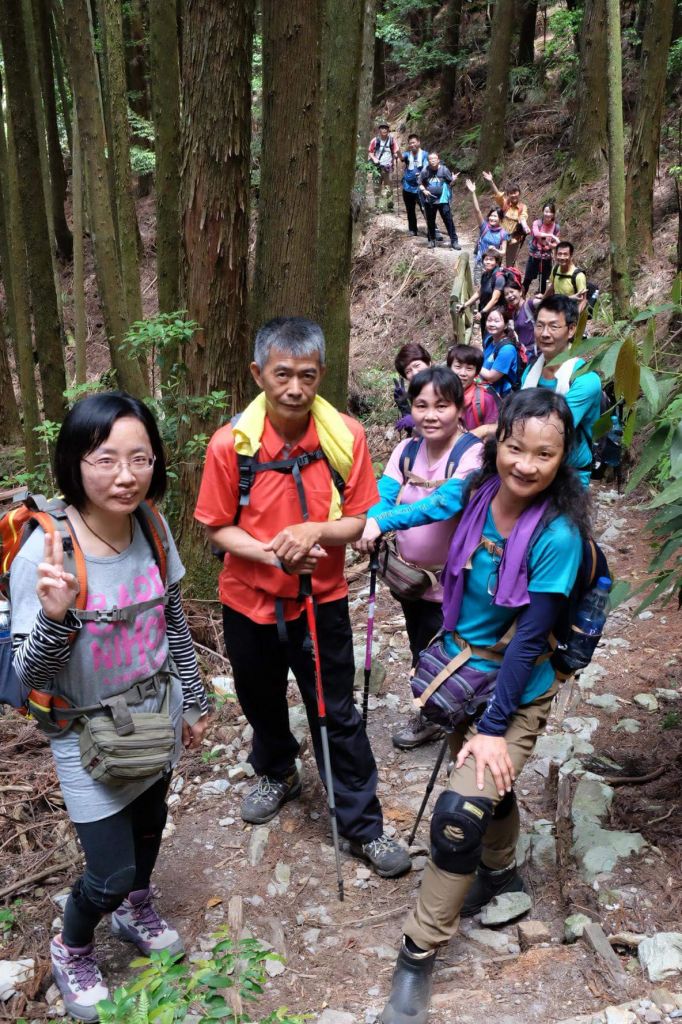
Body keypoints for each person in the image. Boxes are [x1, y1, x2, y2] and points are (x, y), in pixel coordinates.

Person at [378, 389, 589, 1024]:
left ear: (563, 457)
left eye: (544, 454)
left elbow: (530, 638)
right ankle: (501, 877)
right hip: (462, 672)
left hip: (514, 692)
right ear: (498, 443)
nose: (525, 464)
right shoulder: (476, 494)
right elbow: (432, 503)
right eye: (515, 448)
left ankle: (416, 954)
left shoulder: (558, 534)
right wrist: (369, 523)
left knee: (459, 812)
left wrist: (494, 729)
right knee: (489, 789)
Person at [9, 392, 209, 1022]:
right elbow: (27, 674)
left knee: (149, 833)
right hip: (84, 731)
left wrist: (195, 699)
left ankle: (134, 909)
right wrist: (56, 616)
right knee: (109, 870)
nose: (126, 475)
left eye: (140, 458)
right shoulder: (45, 555)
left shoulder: (151, 524)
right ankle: (71, 946)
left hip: (155, 714)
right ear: (74, 462)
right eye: (106, 459)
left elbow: (173, 618)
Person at [194, 317, 411, 879]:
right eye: (282, 374)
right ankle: (278, 770)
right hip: (249, 601)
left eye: (307, 375)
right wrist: (272, 552)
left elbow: (362, 518)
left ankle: (363, 826)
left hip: (322, 600)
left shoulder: (344, 436)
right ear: (258, 373)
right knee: (260, 699)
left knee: (336, 712)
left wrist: (314, 532)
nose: (295, 387)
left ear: (321, 374)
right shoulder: (231, 445)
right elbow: (217, 527)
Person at [357, 366, 483, 750]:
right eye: (421, 405)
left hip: (458, 582)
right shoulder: (406, 449)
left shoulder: (472, 452)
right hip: (412, 580)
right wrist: (373, 520)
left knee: (462, 653)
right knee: (421, 649)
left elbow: (445, 503)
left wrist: (383, 522)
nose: (430, 414)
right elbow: (385, 491)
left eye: (441, 405)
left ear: (459, 408)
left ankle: (469, 723)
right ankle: (433, 715)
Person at [522, 295, 602, 488]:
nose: (545, 333)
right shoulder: (530, 372)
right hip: (531, 468)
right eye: (539, 325)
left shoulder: (585, 379)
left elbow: (554, 429)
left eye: (554, 326)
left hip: (569, 476)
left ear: (571, 329)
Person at [481, 171, 530, 266]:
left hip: (513, 239)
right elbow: (498, 195)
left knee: (510, 264)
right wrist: (491, 182)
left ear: (519, 193)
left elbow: (523, 217)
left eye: (515, 192)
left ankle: (509, 279)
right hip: (499, 237)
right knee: (495, 261)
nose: (513, 195)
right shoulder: (505, 204)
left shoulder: (522, 207)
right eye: (511, 193)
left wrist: (525, 226)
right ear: (508, 195)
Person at [446, 344, 499, 431]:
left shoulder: (485, 400)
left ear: (476, 373)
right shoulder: (441, 395)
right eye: (458, 367)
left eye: (469, 368)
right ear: (449, 368)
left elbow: (493, 431)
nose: (462, 373)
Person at [456, 248, 506, 338]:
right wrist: (464, 305)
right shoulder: (485, 274)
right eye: (486, 259)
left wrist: (482, 312)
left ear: (497, 262)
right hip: (484, 312)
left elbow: (495, 299)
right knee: (485, 339)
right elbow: (479, 293)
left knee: (492, 339)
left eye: (491, 260)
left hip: (495, 314)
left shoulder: (499, 277)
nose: (488, 262)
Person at [419, 152, 461, 250]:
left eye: (434, 158)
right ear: (428, 161)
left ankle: (454, 241)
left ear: (438, 160)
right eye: (430, 159)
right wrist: (424, 190)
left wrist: (453, 180)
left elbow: (450, 183)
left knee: (448, 220)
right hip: (429, 200)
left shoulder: (444, 170)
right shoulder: (425, 171)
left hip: (442, 200)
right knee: (430, 221)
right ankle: (431, 240)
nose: (432, 160)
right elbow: (420, 183)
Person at [393, 342, 433, 434]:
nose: (415, 373)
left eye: (417, 365)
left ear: (429, 363)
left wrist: (417, 421)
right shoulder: (416, 393)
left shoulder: (445, 385)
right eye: (408, 371)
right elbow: (415, 432)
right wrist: (405, 410)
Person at [479, 307, 519, 397]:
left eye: (497, 321)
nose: (492, 324)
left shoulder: (507, 350)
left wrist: (473, 364)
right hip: (486, 389)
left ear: (505, 325)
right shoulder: (489, 339)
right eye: (489, 320)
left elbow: (491, 377)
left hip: (501, 396)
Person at [523, 202, 560, 296]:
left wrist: (551, 245)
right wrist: (550, 235)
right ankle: (522, 298)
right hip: (534, 255)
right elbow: (536, 234)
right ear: (543, 212)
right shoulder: (537, 223)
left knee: (544, 282)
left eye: (550, 212)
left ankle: (540, 303)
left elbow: (556, 243)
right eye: (546, 211)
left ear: (553, 214)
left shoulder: (556, 227)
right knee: (527, 279)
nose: (548, 214)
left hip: (546, 257)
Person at [543, 241, 587, 312]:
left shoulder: (578, 276)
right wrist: (542, 301)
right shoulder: (555, 269)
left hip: (571, 311)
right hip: (558, 308)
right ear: (555, 255)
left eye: (565, 254)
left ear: (571, 255)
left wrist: (575, 318)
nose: (562, 257)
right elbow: (551, 287)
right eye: (559, 254)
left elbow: (583, 301)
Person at [503, 277, 539, 361]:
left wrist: (571, 297)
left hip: (537, 353)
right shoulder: (514, 314)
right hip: (525, 355)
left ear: (520, 292)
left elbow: (550, 301)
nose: (510, 296)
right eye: (506, 294)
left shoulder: (530, 304)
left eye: (512, 292)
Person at [401, 134, 429, 236]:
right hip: (407, 186)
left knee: (425, 208)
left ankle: (433, 230)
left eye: (413, 142)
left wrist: (422, 176)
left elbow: (426, 168)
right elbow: (401, 157)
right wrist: (397, 152)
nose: (412, 145)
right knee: (410, 209)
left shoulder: (425, 155)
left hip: (420, 186)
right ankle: (412, 229)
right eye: (410, 143)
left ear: (418, 142)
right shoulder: (407, 155)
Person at [368, 122, 400, 203]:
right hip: (377, 168)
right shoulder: (375, 141)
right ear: (379, 130)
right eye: (382, 128)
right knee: (376, 187)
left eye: (386, 128)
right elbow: (370, 152)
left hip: (388, 168)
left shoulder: (392, 140)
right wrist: (374, 158)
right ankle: (377, 205)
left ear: (388, 130)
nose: (384, 130)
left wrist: (396, 155)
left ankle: (389, 205)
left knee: (389, 187)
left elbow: (396, 150)